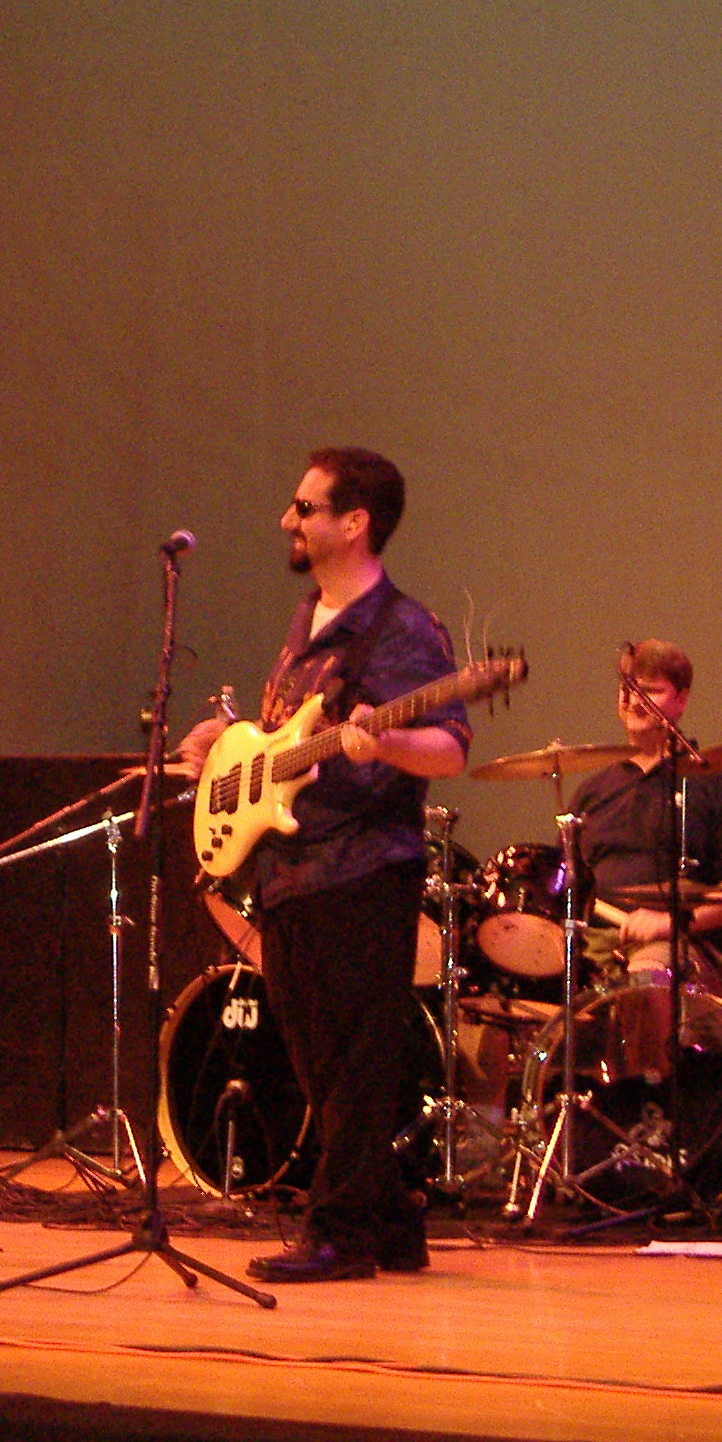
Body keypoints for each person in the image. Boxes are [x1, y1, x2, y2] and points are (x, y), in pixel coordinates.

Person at [178, 447, 469, 1283]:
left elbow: (450, 748)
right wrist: (227, 745)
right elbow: (286, 737)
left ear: (355, 523)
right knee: (318, 1058)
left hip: (361, 868)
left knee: (352, 1062)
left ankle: (339, 1232)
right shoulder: (307, 618)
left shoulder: (404, 628)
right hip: (291, 870)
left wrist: (388, 739)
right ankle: (396, 1218)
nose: (288, 520)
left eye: (305, 508)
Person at [570, 639, 722, 1079]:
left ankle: (650, 1102)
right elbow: (569, 890)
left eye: (650, 691)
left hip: (677, 949)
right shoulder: (592, 792)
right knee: (497, 988)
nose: (633, 701)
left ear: (681, 700)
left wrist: (670, 922)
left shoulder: (714, 783)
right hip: (595, 945)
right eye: (627, 690)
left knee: (644, 979)